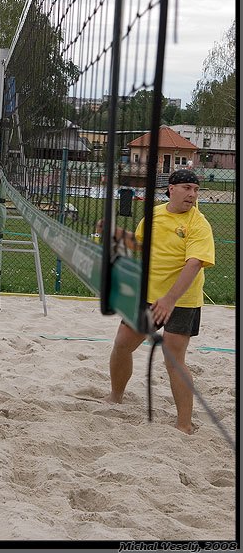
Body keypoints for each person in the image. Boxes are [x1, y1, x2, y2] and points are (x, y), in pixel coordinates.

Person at [98, 169, 215, 434]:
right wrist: (117, 234)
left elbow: (194, 263)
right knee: (122, 345)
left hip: (182, 300)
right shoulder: (155, 215)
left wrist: (170, 299)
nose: (192, 194)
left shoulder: (199, 224)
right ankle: (116, 396)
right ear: (171, 189)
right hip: (149, 296)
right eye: (187, 188)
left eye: (196, 190)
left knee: (173, 358)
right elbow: (142, 246)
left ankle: (184, 424)